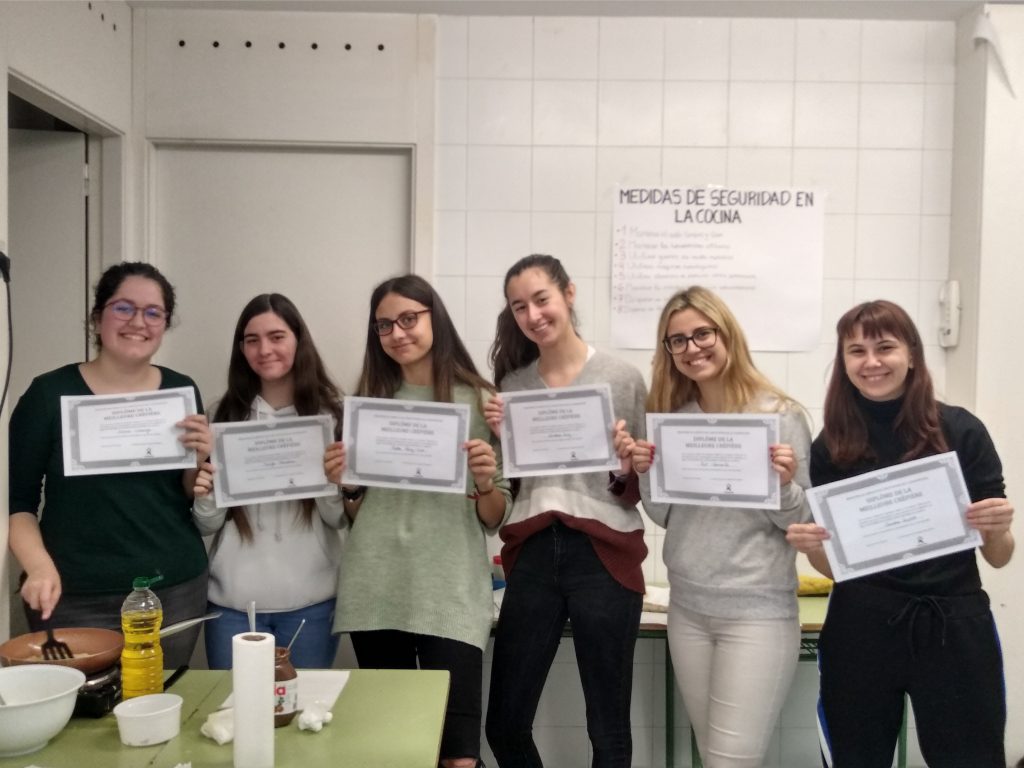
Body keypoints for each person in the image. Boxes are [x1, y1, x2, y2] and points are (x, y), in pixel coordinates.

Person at [786, 300, 1014, 768]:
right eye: (857, 351)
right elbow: (835, 569)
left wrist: (998, 528)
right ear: (843, 362)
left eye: (884, 347)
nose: (871, 362)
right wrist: (814, 549)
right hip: (861, 626)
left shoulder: (962, 430)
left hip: (953, 624)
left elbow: (999, 556)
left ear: (911, 353)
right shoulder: (831, 445)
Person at [323, 274, 510, 768]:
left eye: (409, 318)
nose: (397, 333)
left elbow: (494, 519)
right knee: (396, 752)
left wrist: (486, 483)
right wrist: (347, 486)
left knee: (458, 757)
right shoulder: (368, 403)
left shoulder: (480, 401)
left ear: (435, 319)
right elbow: (359, 513)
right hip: (376, 588)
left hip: (450, 592)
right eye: (384, 325)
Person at [621, 286, 812, 768]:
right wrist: (646, 473)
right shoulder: (673, 420)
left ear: (726, 334)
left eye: (702, 334)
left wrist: (783, 485)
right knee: (714, 756)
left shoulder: (780, 416)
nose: (692, 348)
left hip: (757, 613)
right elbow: (665, 516)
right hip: (688, 610)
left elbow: (802, 525)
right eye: (677, 340)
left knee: (729, 762)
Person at [484, 254, 647, 768]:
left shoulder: (622, 377)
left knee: (608, 730)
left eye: (541, 299)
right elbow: (512, 488)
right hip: (533, 552)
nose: (533, 315)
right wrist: (500, 436)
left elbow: (638, 485)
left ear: (568, 293)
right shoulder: (512, 387)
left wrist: (626, 468)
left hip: (604, 553)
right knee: (504, 724)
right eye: (519, 307)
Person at [8, 261, 210, 668]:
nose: (138, 322)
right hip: (73, 594)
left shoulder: (181, 389)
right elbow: (16, 502)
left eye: (153, 312)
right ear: (98, 316)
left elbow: (183, 493)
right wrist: (39, 567)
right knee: (82, 707)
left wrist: (201, 461)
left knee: (160, 700)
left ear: (164, 324)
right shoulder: (49, 394)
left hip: (173, 588)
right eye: (124, 308)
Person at [192, 294, 346, 669]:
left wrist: (332, 482)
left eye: (277, 337)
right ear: (241, 349)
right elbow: (206, 525)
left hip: (312, 604)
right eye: (252, 340)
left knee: (303, 705)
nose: (264, 350)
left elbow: (338, 519)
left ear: (298, 340)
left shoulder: (333, 415)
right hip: (231, 605)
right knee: (233, 704)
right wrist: (206, 491)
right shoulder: (220, 415)